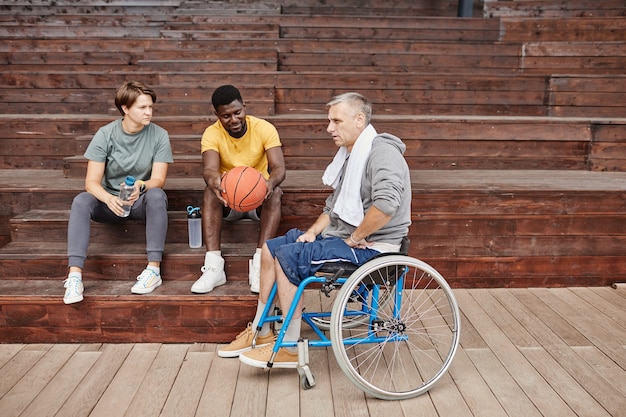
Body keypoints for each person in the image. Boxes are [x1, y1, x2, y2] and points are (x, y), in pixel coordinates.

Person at [217, 92, 412, 367]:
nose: (329, 127)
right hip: (344, 234)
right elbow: (333, 210)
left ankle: (289, 347)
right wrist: (311, 233)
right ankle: (261, 331)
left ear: (359, 120)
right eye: (329, 120)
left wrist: (356, 236)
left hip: (375, 248)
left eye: (335, 120)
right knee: (270, 249)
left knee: (289, 258)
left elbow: (386, 205)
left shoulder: (382, 153)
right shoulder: (351, 154)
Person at [63, 80, 173, 304]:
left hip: (140, 202)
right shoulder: (106, 134)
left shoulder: (160, 135)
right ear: (125, 108)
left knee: (156, 195)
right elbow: (91, 182)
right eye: (142, 107)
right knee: (82, 201)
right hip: (110, 203)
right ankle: (74, 277)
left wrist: (141, 186)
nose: (148, 112)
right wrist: (109, 198)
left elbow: (158, 180)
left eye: (150, 107)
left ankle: (153, 270)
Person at [191, 85, 286, 294]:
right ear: (216, 115)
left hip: (258, 198)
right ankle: (214, 266)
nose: (233, 119)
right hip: (228, 200)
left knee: (276, 192)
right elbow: (209, 169)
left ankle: (261, 264)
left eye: (237, 112)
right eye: (226, 116)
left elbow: (279, 168)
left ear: (244, 106)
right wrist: (214, 181)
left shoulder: (263, 128)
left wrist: (269, 183)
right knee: (209, 191)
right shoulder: (211, 134)